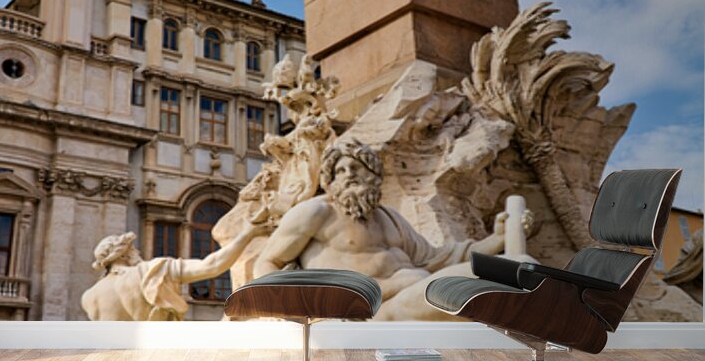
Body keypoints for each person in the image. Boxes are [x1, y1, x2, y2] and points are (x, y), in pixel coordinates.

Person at [253, 139, 524, 320]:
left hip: (414, 294)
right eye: (340, 171)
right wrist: (290, 309)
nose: (349, 174)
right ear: (331, 181)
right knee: (494, 283)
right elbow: (267, 261)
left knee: (515, 269)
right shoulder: (317, 212)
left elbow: (438, 258)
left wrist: (498, 239)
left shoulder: (389, 217)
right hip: (372, 312)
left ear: (373, 175)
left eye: (356, 167)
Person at [81, 221, 267, 321]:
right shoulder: (151, 271)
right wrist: (247, 234)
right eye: (132, 248)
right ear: (122, 254)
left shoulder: (89, 296)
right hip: (157, 358)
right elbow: (212, 266)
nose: (137, 251)